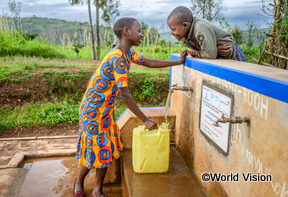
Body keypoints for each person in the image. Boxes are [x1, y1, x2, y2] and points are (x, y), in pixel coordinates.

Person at [73, 17, 189, 197]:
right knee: (94, 149)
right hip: (92, 111)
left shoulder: (128, 53)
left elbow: (149, 62)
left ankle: (97, 191)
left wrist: (177, 62)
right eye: (139, 30)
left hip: (104, 109)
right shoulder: (117, 57)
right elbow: (124, 94)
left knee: (105, 147)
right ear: (126, 31)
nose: (142, 34)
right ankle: (79, 181)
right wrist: (145, 119)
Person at [167, 6, 245, 62]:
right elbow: (207, 51)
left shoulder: (200, 27)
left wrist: (195, 52)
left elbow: (210, 55)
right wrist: (214, 51)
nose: (172, 33)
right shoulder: (186, 35)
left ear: (185, 25)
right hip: (218, 58)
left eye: (173, 29)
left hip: (231, 55)